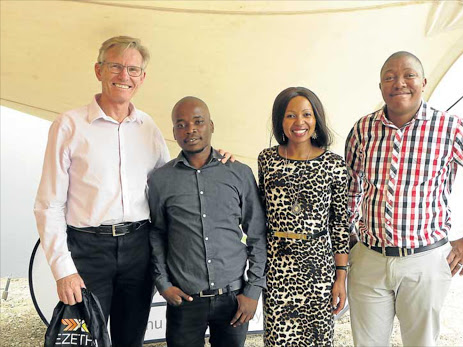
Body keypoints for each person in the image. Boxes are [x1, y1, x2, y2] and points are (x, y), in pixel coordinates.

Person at [33, 36, 232, 346]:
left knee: (131, 339)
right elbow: (48, 205)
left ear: (142, 77)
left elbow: (174, 184)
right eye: (115, 66)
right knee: (84, 341)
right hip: (87, 251)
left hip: (138, 250)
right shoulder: (68, 126)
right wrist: (63, 271)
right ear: (98, 70)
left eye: (133, 69)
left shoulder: (148, 128)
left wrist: (216, 160)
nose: (124, 76)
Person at [345, 51, 463, 346]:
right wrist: (351, 239)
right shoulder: (362, 130)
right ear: (380, 86)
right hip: (368, 259)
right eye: (389, 77)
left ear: (423, 82)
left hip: (424, 261)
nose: (399, 83)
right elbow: (351, 188)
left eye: (409, 75)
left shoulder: (450, 127)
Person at [148, 96, 267, 347]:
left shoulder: (239, 173)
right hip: (185, 300)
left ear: (211, 126)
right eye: (181, 124)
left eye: (198, 122)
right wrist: (163, 283)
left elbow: (256, 232)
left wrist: (253, 291)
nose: (190, 129)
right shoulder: (161, 180)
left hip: (234, 299)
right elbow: (157, 233)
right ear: (174, 131)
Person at [258, 87, 350, 346]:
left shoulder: (334, 164)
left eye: (307, 114)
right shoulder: (267, 159)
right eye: (290, 116)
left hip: (318, 269)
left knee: (318, 339)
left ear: (316, 119)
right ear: (280, 121)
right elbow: (259, 215)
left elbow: (340, 224)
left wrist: (340, 277)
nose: (299, 122)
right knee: (278, 340)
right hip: (277, 266)